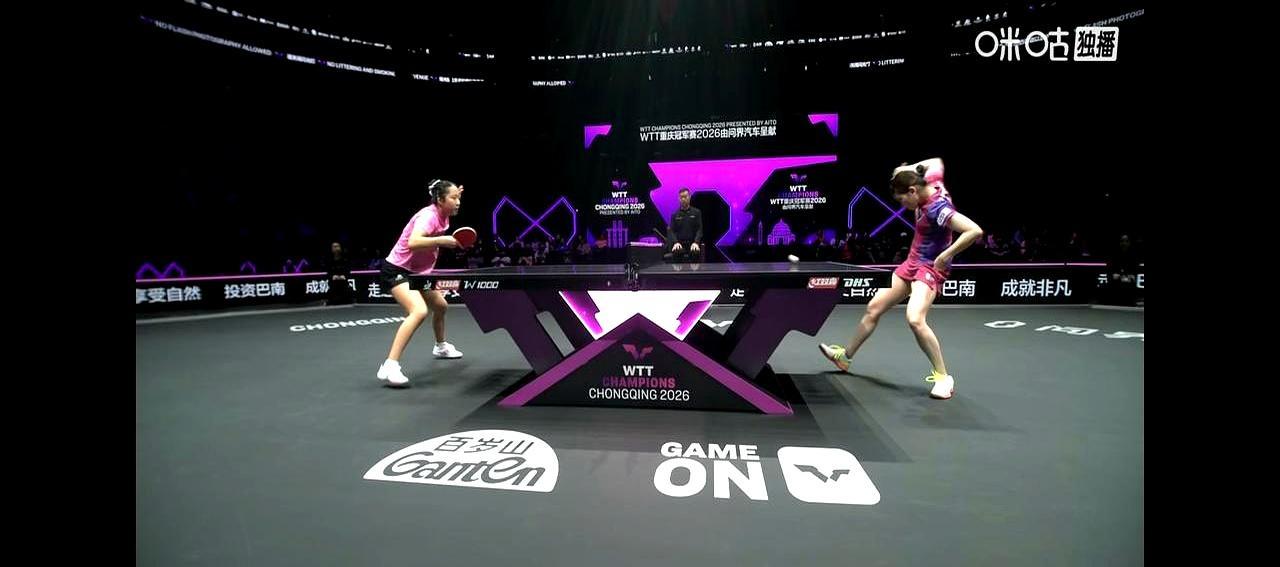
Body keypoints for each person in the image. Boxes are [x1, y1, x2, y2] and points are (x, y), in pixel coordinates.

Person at [819, 158, 984, 400]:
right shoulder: (932, 179)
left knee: (915, 319)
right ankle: (845, 357)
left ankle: (943, 377)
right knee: (874, 307)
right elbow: (936, 161)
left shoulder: (938, 210)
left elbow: (974, 231)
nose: (902, 205)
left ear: (913, 191)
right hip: (912, 263)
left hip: (930, 267)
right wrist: (906, 169)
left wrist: (945, 255)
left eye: (902, 200)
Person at [375, 179, 466, 388]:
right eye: (454, 198)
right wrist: (442, 240)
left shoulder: (443, 213)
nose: (458, 202)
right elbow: (414, 242)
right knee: (419, 311)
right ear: (440, 200)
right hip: (398, 270)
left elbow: (443, 193)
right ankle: (390, 365)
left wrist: (453, 193)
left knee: (441, 306)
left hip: (417, 273)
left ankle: (440, 346)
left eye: (459, 197)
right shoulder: (428, 216)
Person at [666, 188, 704, 262]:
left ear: (689, 197)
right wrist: (676, 242)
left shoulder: (697, 212)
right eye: (681, 197)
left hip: (692, 243)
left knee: (695, 252)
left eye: (685, 196)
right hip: (680, 244)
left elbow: (699, 229)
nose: (683, 199)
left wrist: (696, 242)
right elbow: (672, 231)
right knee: (676, 251)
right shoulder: (675, 215)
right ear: (679, 199)